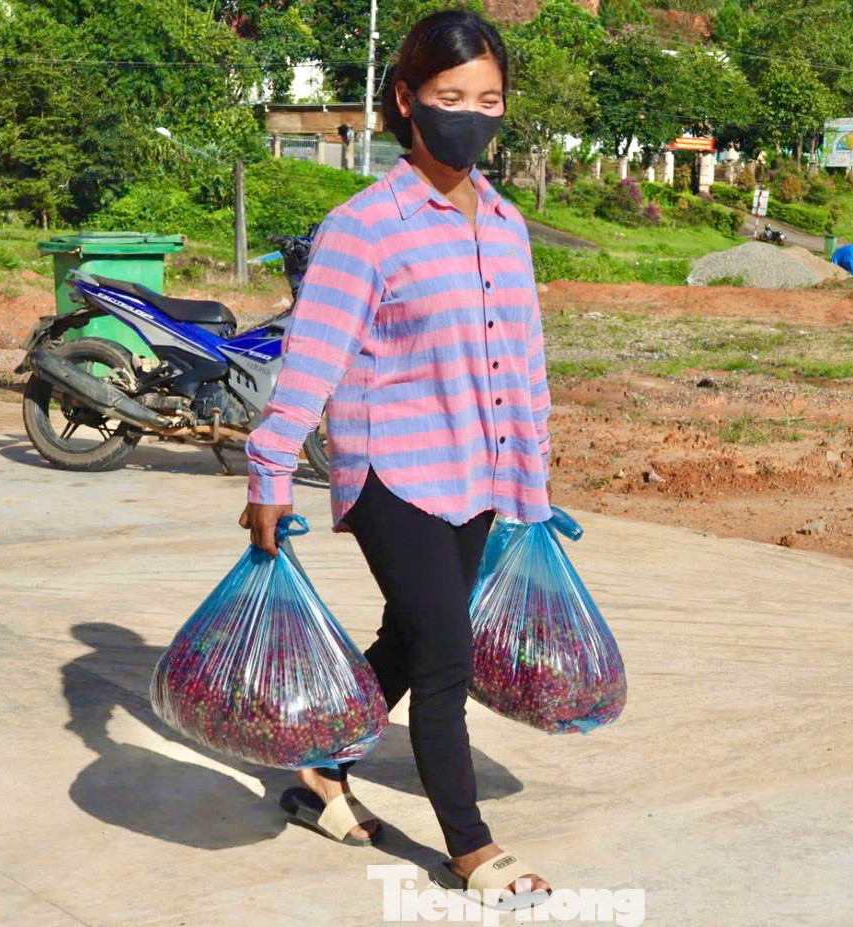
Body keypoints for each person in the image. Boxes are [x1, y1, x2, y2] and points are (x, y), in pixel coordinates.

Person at [239, 10, 553, 908]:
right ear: (407, 100)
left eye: (488, 99)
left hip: (475, 473)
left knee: (411, 642)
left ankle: (322, 775)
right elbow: (313, 361)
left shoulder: (505, 224)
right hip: (391, 475)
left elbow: (521, 368)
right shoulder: (363, 226)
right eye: (450, 96)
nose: (470, 115)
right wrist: (268, 475)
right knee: (446, 654)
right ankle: (471, 847)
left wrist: (528, 483)